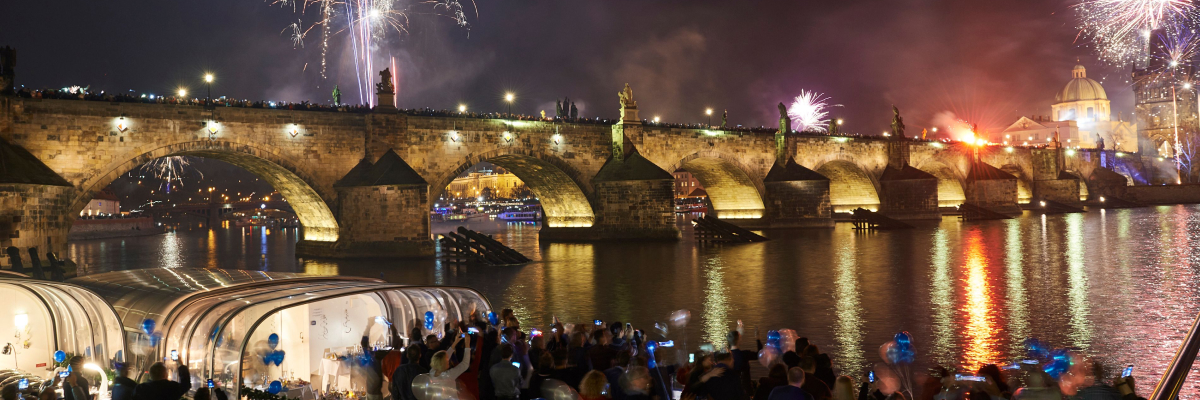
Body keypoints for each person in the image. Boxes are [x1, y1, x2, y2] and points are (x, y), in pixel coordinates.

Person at [730, 329, 763, 396]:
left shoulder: (725, 356)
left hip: (731, 390)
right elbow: (760, 354)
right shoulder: (744, 355)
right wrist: (758, 339)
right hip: (745, 389)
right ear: (739, 340)